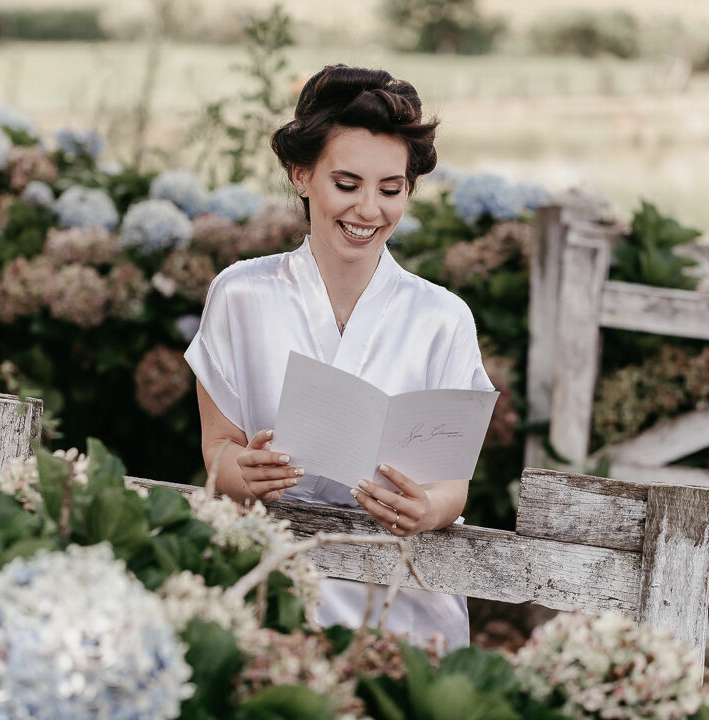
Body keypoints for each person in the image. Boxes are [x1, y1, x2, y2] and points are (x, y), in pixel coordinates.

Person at [184, 64, 494, 649]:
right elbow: (216, 454)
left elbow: (455, 487)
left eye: (391, 189)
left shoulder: (443, 318)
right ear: (301, 175)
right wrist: (244, 473)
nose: (369, 211)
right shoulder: (240, 294)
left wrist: (425, 508)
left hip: (403, 594)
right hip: (271, 583)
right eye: (346, 185)